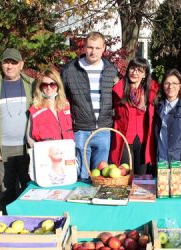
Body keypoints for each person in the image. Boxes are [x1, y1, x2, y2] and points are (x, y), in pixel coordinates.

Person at [0, 48, 34, 210]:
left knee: (29, 187)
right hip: (2, 149)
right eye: (6, 62)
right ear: (1, 64)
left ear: (21, 64)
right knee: (5, 189)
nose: (9, 66)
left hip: (27, 147)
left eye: (14, 63)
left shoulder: (31, 84)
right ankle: (7, 224)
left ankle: (30, 223)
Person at [61, 31, 118, 180]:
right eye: (90, 47)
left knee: (101, 177)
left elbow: (119, 97)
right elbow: (61, 99)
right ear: (84, 47)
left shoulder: (111, 70)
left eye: (97, 48)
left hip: (104, 130)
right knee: (81, 176)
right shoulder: (70, 70)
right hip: (81, 130)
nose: (93, 52)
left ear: (104, 48)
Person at [109, 57, 158, 174]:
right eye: (132, 69)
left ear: (145, 75)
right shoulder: (119, 90)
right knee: (125, 176)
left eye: (139, 71)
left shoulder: (149, 92)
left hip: (143, 140)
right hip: (124, 139)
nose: (135, 73)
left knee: (142, 178)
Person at [154, 68, 181, 162]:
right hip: (161, 159)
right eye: (167, 83)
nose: (170, 86)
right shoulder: (158, 106)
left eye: (174, 83)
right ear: (163, 85)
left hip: (178, 160)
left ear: (180, 86)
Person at [26, 67, 73, 146]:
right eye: (45, 85)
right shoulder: (35, 110)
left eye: (52, 84)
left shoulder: (67, 105)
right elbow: (30, 138)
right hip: (46, 155)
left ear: (58, 85)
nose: (49, 88)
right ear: (40, 87)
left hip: (67, 153)